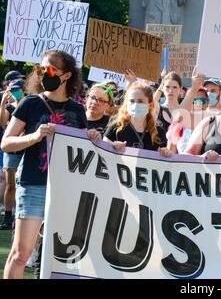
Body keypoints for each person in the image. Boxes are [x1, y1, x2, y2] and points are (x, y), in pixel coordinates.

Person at [1, 50, 101, 279]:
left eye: (51, 69)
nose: (44, 73)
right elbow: (6, 143)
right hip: (34, 184)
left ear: (66, 76)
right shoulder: (30, 103)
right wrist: (34, 137)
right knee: (21, 254)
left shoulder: (77, 110)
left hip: (65, 189)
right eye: (41, 69)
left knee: (59, 256)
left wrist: (92, 138)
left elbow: (82, 151)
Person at [103, 81, 170, 156]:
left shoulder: (159, 132)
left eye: (140, 101)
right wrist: (112, 146)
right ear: (126, 104)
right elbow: (103, 153)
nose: (135, 105)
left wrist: (166, 153)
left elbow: (164, 162)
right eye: (132, 101)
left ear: (150, 105)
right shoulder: (115, 128)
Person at [0, 80, 26, 230]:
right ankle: (8, 217)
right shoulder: (10, 107)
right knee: (11, 185)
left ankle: (20, 215)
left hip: (26, 148)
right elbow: (2, 122)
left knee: (23, 183)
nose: (15, 92)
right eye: (12, 89)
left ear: (23, 90)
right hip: (11, 150)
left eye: (17, 89)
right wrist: (3, 104)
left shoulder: (28, 105)